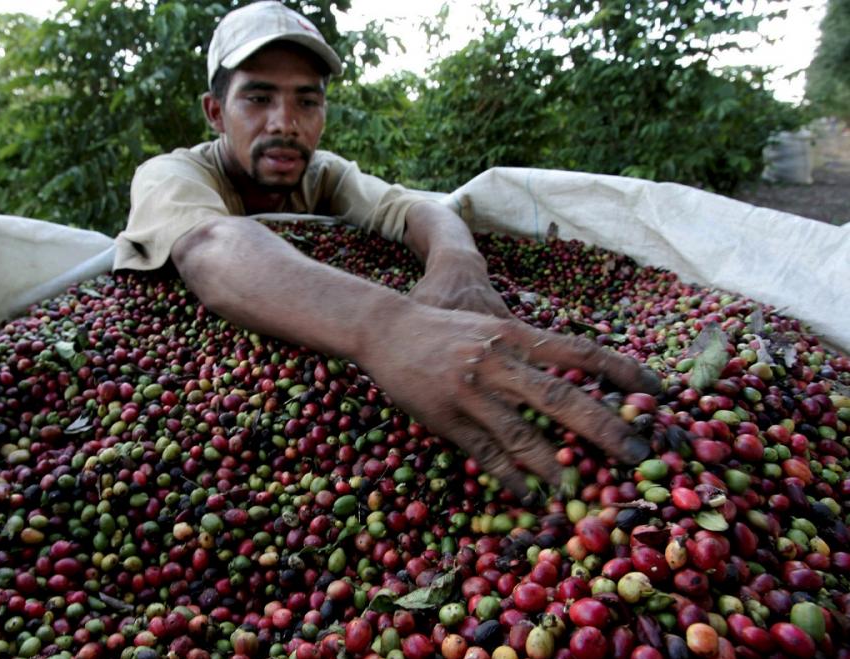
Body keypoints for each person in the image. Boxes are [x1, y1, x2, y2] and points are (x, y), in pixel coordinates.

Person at [113, 1, 660, 499]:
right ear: (215, 112)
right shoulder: (173, 175)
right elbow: (212, 244)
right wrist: (391, 329)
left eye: (306, 100)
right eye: (257, 98)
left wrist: (458, 263)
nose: (284, 122)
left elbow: (417, 209)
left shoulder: (322, 176)